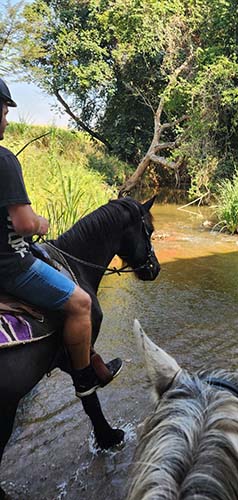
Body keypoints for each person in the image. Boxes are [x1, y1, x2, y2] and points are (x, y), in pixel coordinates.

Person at [0, 77, 121, 398]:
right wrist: (41, 222)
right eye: (4, 112)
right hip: (12, 267)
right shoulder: (5, 160)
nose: (7, 120)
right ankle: (84, 379)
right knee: (81, 304)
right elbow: (23, 224)